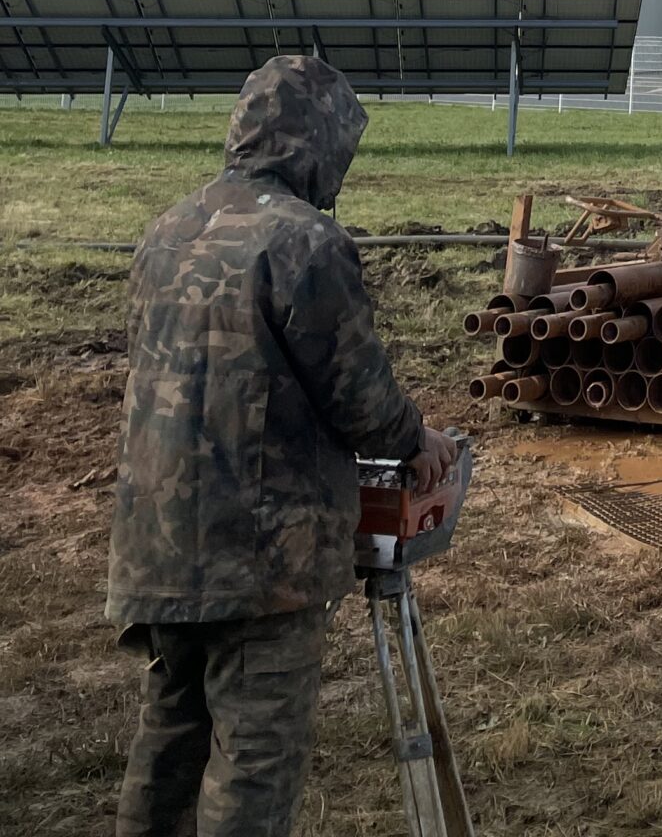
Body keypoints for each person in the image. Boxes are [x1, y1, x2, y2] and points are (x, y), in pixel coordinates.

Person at [107, 53, 457, 837]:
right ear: (319, 144)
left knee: (169, 740)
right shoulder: (305, 241)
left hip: (157, 544)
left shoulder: (165, 230)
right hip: (261, 557)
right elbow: (357, 392)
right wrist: (416, 439)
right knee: (254, 760)